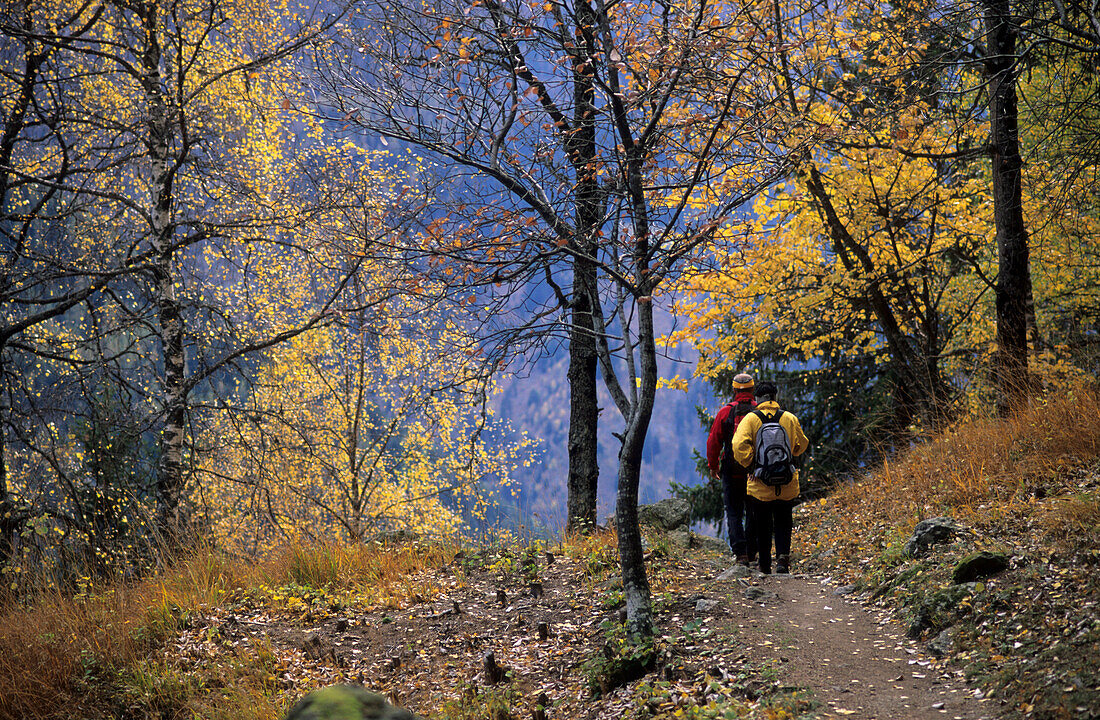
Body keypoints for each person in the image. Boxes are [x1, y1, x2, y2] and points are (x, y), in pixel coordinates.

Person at [730, 381, 809, 574]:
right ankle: (783, 560)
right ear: (775, 397)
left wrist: (752, 465)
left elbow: (737, 445)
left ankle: (764, 564)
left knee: (762, 523)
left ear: (758, 399)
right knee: (784, 520)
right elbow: (802, 444)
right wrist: (791, 454)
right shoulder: (789, 418)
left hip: (760, 482)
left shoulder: (751, 419)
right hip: (786, 480)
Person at [706, 372, 758, 565]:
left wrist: (713, 466)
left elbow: (713, 441)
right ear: (753, 390)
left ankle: (740, 553)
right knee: (753, 510)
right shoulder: (759, 410)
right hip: (755, 471)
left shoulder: (725, 412)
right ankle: (753, 551)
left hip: (731, 469)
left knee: (734, 511)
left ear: (734, 390)